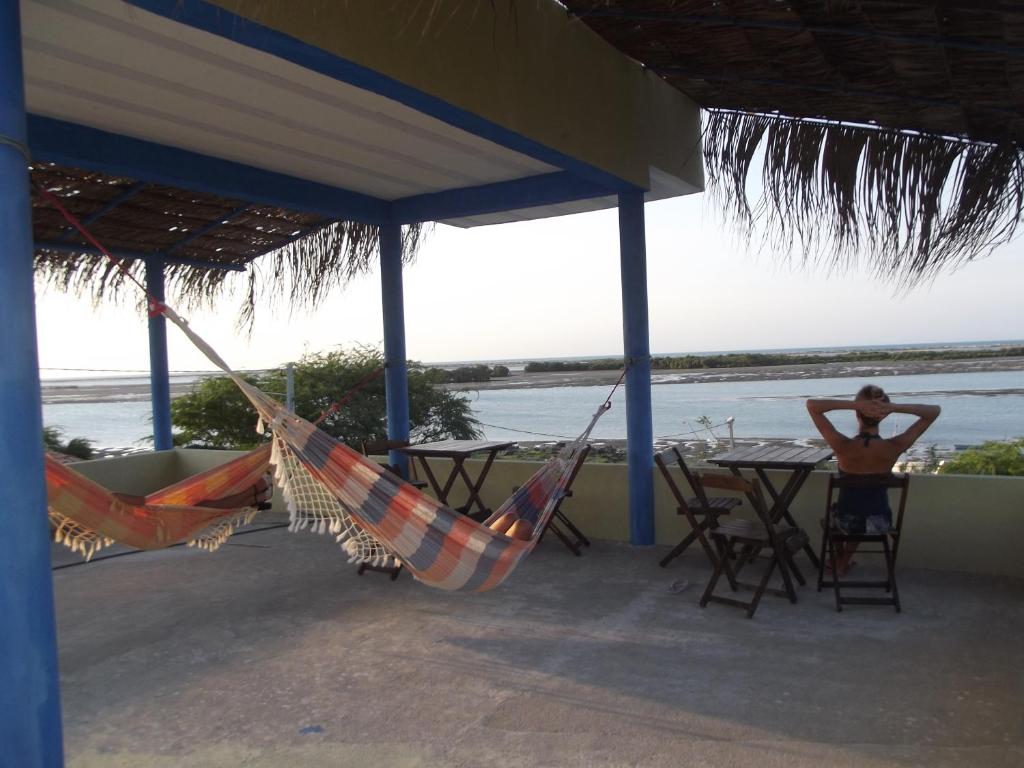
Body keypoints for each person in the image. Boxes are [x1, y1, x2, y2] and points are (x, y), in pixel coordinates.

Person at [806, 385, 940, 574]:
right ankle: (842, 561)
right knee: (864, 511)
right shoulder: (894, 446)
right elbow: (934, 412)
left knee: (837, 515)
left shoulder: (842, 446)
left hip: (846, 522)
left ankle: (841, 560)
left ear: (857, 413)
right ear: (883, 416)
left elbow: (812, 405)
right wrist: (893, 408)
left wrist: (856, 404)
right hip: (881, 523)